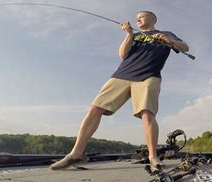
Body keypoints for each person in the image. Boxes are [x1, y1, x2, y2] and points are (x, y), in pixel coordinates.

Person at [49, 10, 189, 171]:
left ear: (152, 18)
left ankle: (153, 156)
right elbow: (123, 55)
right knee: (95, 108)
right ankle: (76, 153)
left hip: (149, 76)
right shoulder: (134, 35)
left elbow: (185, 47)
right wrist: (128, 34)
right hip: (122, 75)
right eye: (136, 18)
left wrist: (168, 40)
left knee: (147, 113)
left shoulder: (166, 33)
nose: (138, 20)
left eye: (141, 17)